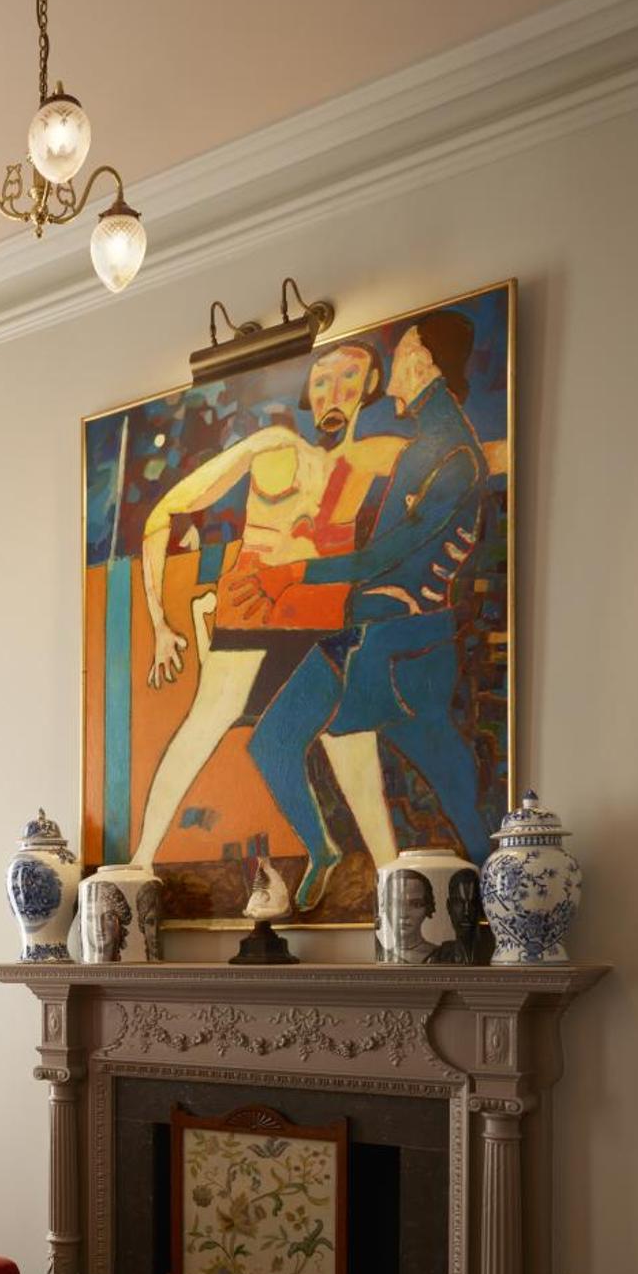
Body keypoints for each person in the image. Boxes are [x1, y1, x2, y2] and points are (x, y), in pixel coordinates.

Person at [244, 312, 493, 909]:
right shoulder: (426, 445)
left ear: (424, 363)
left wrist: (300, 570)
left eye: (404, 351)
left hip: (405, 649)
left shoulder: (455, 456)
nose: (395, 372)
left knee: (454, 785)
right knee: (272, 742)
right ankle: (324, 849)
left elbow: (390, 553)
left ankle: (494, 898)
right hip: (362, 637)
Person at [128, 342, 403, 873]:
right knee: (201, 728)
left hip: (323, 625)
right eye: (322, 379)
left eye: (350, 378)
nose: (334, 391)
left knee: (354, 752)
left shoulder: (368, 459)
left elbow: (473, 465)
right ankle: (140, 862)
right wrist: (159, 622)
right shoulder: (274, 446)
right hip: (250, 620)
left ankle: (390, 878)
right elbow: (164, 513)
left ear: (370, 387)